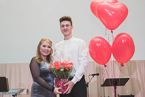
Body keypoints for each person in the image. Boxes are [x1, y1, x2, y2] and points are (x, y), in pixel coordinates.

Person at [53, 16, 89, 97]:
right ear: (60, 28)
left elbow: (84, 63)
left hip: (78, 81)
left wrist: (73, 81)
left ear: (72, 27)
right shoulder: (57, 46)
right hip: (64, 82)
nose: (65, 28)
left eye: (67, 25)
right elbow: (56, 65)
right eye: (62, 26)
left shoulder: (80, 42)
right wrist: (59, 80)